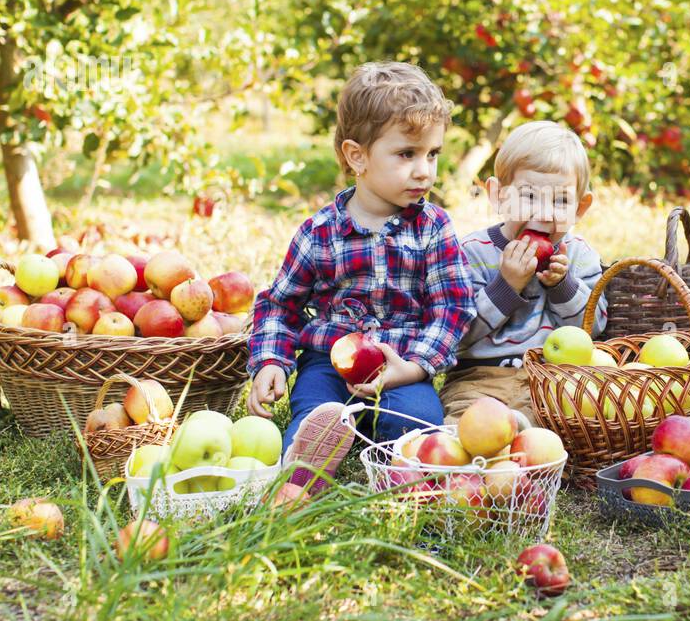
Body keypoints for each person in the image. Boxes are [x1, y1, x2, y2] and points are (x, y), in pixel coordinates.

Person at [246, 62, 475, 487]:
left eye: (432, 154)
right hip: (330, 362)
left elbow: (453, 307)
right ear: (358, 156)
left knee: (419, 419)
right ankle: (303, 471)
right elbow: (281, 304)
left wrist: (415, 367)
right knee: (316, 409)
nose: (424, 170)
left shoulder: (434, 228)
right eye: (407, 154)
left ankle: (400, 467)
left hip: (400, 361)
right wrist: (270, 361)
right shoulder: (319, 233)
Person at [440, 121, 607, 423]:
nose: (544, 213)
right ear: (499, 196)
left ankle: (524, 439)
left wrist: (563, 286)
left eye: (561, 201)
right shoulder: (471, 253)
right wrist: (506, 286)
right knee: (467, 426)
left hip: (552, 379)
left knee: (572, 423)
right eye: (529, 196)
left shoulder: (578, 254)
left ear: (580, 208)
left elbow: (594, 327)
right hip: (479, 379)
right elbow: (456, 335)